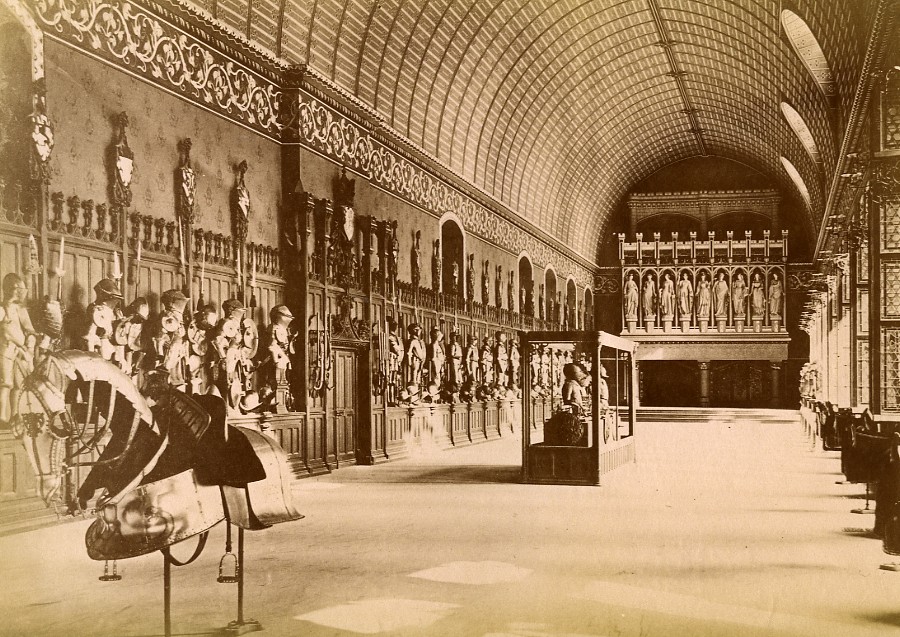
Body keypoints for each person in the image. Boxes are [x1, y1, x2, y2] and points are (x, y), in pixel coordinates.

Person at [0, 274, 36, 424]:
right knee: (6, 383)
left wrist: (30, 345)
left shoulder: (21, 309)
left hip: (19, 352)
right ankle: (2, 416)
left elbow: (29, 329)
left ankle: (14, 415)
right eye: (17, 289)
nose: (19, 292)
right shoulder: (2, 309)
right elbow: (5, 330)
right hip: (5, 350)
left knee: (17, 384)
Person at [83, 278, 124, 361]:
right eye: (114, 299)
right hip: (101, 347)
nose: (116, 302)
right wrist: (91, 357)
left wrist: (122, 358)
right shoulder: (96, 310)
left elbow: (120, 336)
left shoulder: (116, 312)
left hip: (113, 346)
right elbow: (90, 335)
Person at [404, 323, 426, 388]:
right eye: (416, 330)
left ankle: (417, 386)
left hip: (420, 360)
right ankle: (413, 387)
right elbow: (409, 352)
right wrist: (409, 362)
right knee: (414, 375)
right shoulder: (412, 341)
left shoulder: (418, 341)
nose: (418, 331)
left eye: (418, 330)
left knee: (418, 375)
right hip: (415, 360)